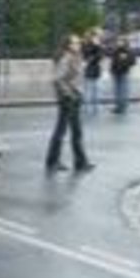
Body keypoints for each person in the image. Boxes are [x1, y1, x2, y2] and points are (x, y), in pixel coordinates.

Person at [45, 34, 94, 174]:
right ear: (68, 45)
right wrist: (69, 94)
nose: (78, 45)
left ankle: (80, 161)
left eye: (78, 43)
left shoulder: (75, 58)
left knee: (75, 131)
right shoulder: (66, 58)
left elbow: (76, 78)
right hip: (68, 99)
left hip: (74, 97)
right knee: (63, 131)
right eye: (75, 43)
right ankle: (54, 161)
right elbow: (57, 79)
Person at [110, 35, 136, 114]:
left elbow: (133, 62)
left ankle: (123, 106)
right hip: (116, 73)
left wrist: (125, 63)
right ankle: (118, 106)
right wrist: (112, 69)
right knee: (117, 90)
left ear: (124, 42)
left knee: (123, 90)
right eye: (117, 41)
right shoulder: (116, 50)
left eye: (120, 41)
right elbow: (113, 61)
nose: (118, 42)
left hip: (124, 72)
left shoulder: (128, 51)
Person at [81, 28, 104, 117]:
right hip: (88, 69)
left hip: (96, 70)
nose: (94, 38)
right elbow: (85, 55)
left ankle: (95, 108)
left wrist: (97, 46)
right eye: (93, 36)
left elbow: (100, 56)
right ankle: (87, 108)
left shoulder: (97, 46)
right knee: (88, 90)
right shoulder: (85, 45)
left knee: (96, 90)